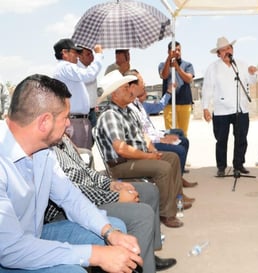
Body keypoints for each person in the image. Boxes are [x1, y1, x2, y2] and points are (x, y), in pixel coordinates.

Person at [0, 74, 142, 273]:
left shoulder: (43, 151)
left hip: (33, 236)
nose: (69, 124)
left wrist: (109, 232)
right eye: (66, 117)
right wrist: (95, 255)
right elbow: (10, 250)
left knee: (115, 230)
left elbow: (70, 197)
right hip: (7, 254)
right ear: (45, 122)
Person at [45, 135, 177, 273]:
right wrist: (114, 197)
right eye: (65, 117)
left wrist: (111, 185)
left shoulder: (62, 139)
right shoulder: (45, 150)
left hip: (92, 193)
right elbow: (72, 195)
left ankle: (148, 253)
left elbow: (87, 171)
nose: (69, 123)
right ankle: (141, 267)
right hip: (63, 212)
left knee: (149, 191)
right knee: (142, 214)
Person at [94, 70, 194, 228]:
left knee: (172, 158)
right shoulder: (110, 115)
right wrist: (149, 157)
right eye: (125, 88)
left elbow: (143, 135)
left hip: (136, 157)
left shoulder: (127, 111)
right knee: (163, 168)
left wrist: (152, 150)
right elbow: (121, 149)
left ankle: (174, 201)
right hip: (121, 164)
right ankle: (165, 213)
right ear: (114, 95)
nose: (129, 91)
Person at [125, 70, 197, 187]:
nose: (145, 85)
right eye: (142, 82)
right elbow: (142, 135)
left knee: (183, 140)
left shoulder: (138, 103)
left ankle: (178, 178)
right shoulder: (129, 107)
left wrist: (162, 136)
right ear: (133, 87)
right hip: (147, 144)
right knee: (180, 149)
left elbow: (148, 127)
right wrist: (161, 139)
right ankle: (175, 182)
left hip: (152, 137)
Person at [202, 36, 258, 177]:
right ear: (218, 53)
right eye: (223, 50)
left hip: (241, 109)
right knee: (221, 140)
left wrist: (253, 73)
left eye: (229, 48)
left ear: (232, 49)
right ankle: (221, 166)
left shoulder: (242, 64)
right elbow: (207, 88)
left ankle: (238, 165)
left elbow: (253, 80)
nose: (227, 51)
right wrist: (205, 107)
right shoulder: (213, 68)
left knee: (241, 139)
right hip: (221, 110)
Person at [53, 38, 103, 149]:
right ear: (64, 53)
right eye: (74, 52)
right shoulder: (65, 67)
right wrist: (99, 55)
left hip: (78, 121)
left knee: (85, 157)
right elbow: (89, 74)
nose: (77, 55)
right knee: (82, 158)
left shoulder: (66, 68)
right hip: (74, 122)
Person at [159, 41, 195, 136]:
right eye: (175, 50)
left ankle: (182, 150)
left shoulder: (188, 65)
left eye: (179, 50)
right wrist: (169, 60)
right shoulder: (162, 65)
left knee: (183, 134)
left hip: (184, 103)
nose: (177, 52)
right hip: (169, 104)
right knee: (171, 133)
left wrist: (177, 68)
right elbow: (164, 75)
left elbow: (189, 79)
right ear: (169, 51)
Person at [77, 45, 101, 128]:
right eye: (88, 54)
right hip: (81, 116)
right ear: (79, 56)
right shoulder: (77, 69)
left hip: (91, 112)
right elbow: (89, 76)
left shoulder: (88, 69)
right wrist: (99, 55)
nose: (92, 56)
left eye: (92, 53)